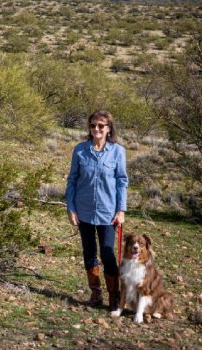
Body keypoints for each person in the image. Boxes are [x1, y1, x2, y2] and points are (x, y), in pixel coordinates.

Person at [66, 110, 128, 311]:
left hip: (108, 212)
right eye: (93, 125)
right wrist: (71, 208)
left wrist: (121, 210)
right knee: (89, 252)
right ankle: (96, 293)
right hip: (83, 210)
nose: (96, 129)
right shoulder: (80, 150)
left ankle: (114, 296)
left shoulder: (118, 151)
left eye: (101, 125)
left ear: (109, 128)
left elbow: (122, 181)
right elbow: (72, 180)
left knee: (108, 253)